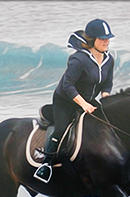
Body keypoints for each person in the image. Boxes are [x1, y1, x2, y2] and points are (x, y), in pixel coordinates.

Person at [34, 19, 115, 183]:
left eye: (108, 38)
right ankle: (46, 164)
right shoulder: (79, 59)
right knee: (62, 128)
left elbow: (107, 84)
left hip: (89, 100)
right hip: (65, 100)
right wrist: (84, 104)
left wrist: (107, 102)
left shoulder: (109, 60)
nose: (106, 41)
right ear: (92, 40)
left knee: (108, 122)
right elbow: (68, 85)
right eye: (102, 38)